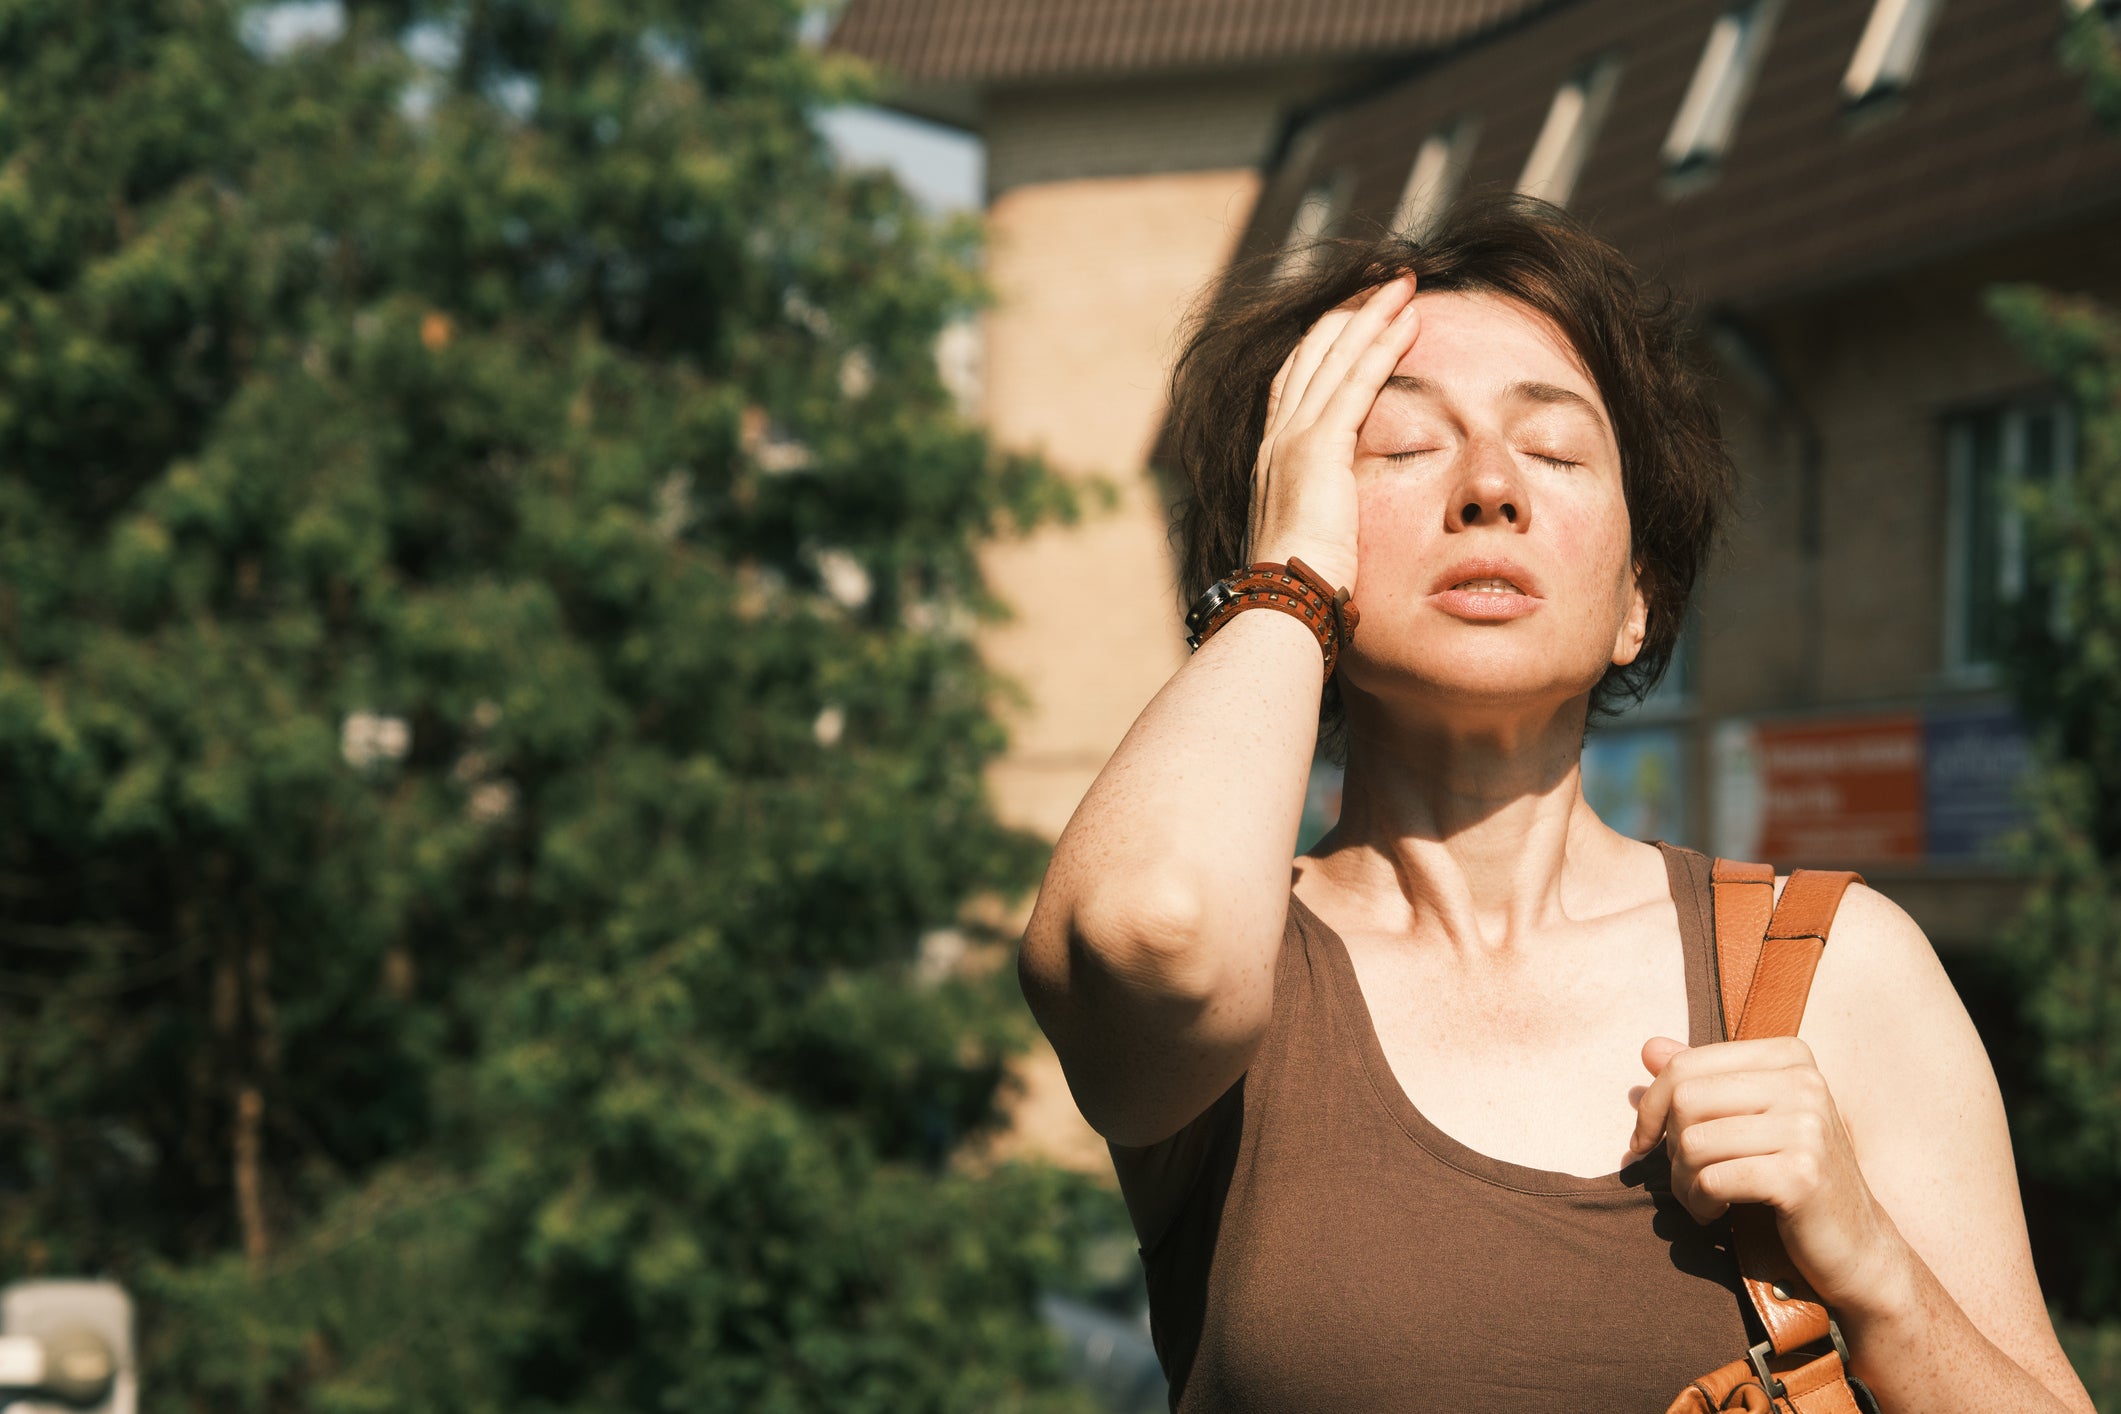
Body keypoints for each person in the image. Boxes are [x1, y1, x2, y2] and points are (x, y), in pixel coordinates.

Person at [1015, 195, 2095, 1413]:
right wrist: (1286, 582)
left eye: (1555, 451)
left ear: (1639, 596)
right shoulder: (1245, 964)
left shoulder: (1832, 969)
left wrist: (1880, 1277)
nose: (1488, 489)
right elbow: (1148, 929)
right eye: (1400, 448)